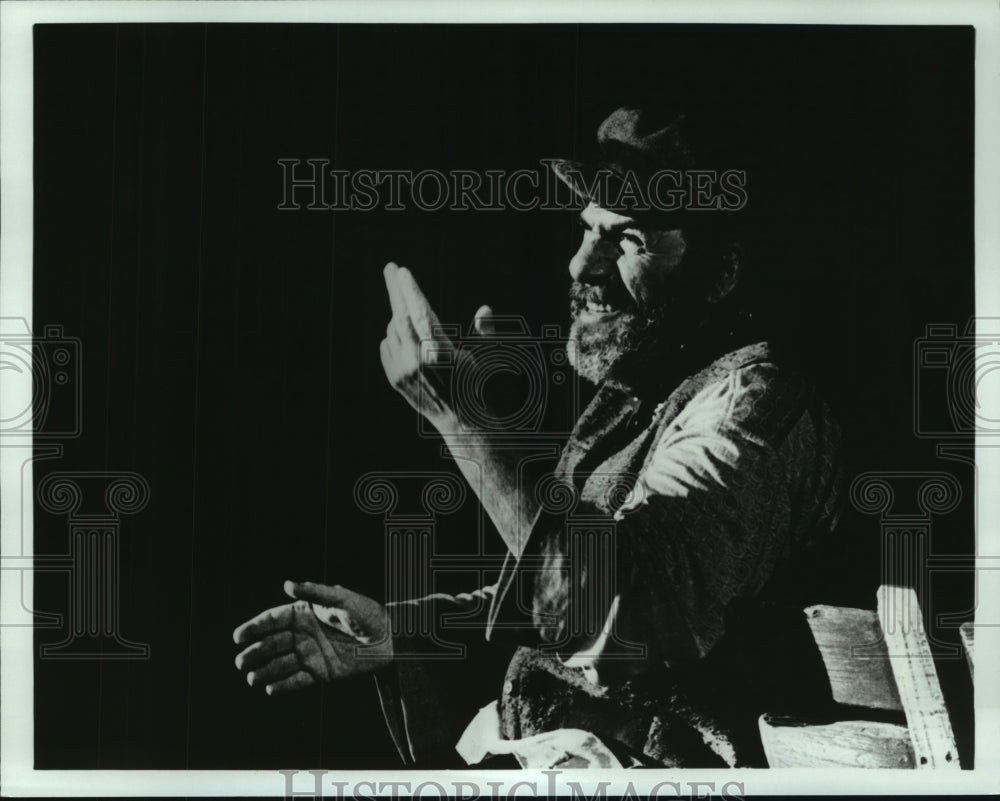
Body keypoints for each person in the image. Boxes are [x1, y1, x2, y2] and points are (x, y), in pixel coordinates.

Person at [232, 107, 845, 768]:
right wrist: (400, 633)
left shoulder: (754, 404)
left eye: (628, 238)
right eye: (587, 230)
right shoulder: (649, 390)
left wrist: (464, 423)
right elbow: (555, 609)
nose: (584, 264)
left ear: (723, 268)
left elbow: (624, 617)